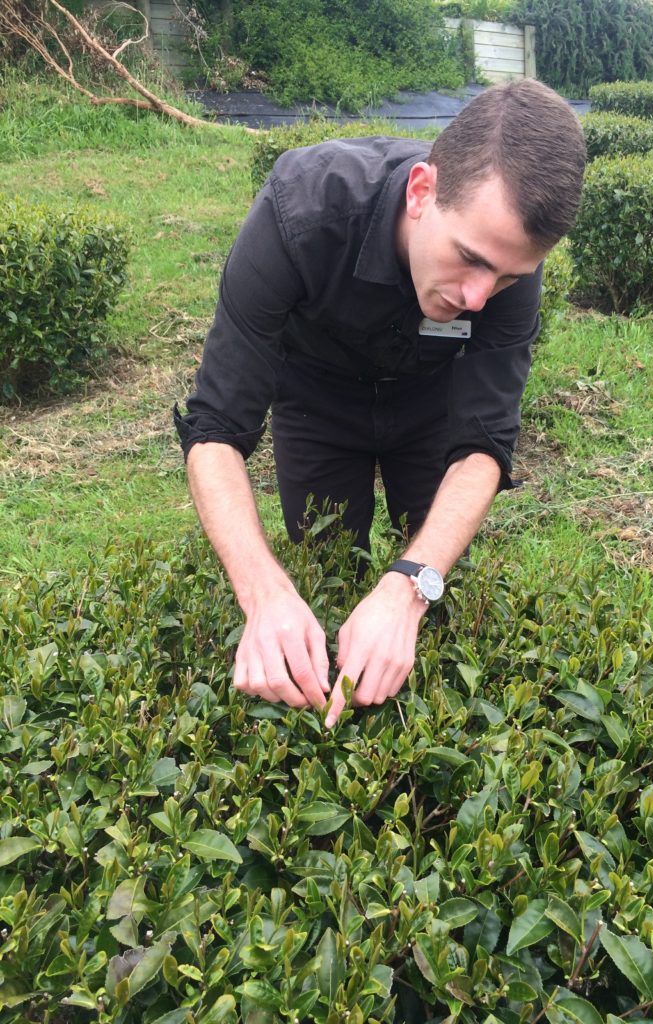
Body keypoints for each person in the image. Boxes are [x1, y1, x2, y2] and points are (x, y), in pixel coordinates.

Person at [174, 78, 586, 728]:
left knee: (432, 594)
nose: (482, 298)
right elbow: (215, 428)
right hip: (315, 395)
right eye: (470, 260)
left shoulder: (508, 275)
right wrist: (263, 592)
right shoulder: (300, 212)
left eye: (507, 276)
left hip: (430, 402)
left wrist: (409, 590)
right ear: (421, 191)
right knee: (322, 558)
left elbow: (484, 445)